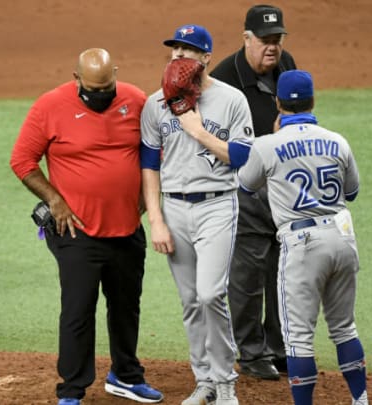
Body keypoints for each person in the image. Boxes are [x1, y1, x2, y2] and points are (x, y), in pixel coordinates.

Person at [9, 48, 163, 405]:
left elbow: (155, 150)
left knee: (126, 306)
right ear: (76, 78)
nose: (100, 98)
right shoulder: (50, 106)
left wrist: (148, 194)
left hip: (127, 228)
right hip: (75, 231)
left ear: (116, 76)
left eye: (106, 89)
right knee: (79, 309)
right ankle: (73, 390)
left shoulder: (136, 100)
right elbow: (22, 160)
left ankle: (125, 375)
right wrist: (55, 199)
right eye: (92, 91)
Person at [237, 70, 369, 405]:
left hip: (303, 245)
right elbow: (351, 192)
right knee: (344, 328)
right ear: (313, 100)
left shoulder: (267, 145)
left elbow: (245, 185)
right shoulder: (338, 141)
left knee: (297, 338)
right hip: (342, 238)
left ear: (278, 103)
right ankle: (361, 399)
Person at [139, 24, 254, 405]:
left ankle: (224, 382)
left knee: (209, 294)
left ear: (206, 58)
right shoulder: (155, 103)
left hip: (217, 204)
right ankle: (203, 379)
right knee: (190, 301)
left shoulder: (231, 99)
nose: (179, 56)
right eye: (175, 50)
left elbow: (241, 158)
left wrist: (198, 130)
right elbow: (149, 166)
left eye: (188, 50)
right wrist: (155, 219)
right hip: (173, 207)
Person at [210, 4, 297, 380]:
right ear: (246, 38)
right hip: (242, 189)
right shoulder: (222, 79)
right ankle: (250, 352)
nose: (272, 47)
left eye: (277, 39)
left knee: (284, 271)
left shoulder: (287, 66)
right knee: (247, 276)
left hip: (282, 189)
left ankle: (278, 347)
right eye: (265, 40)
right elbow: (209, 142)